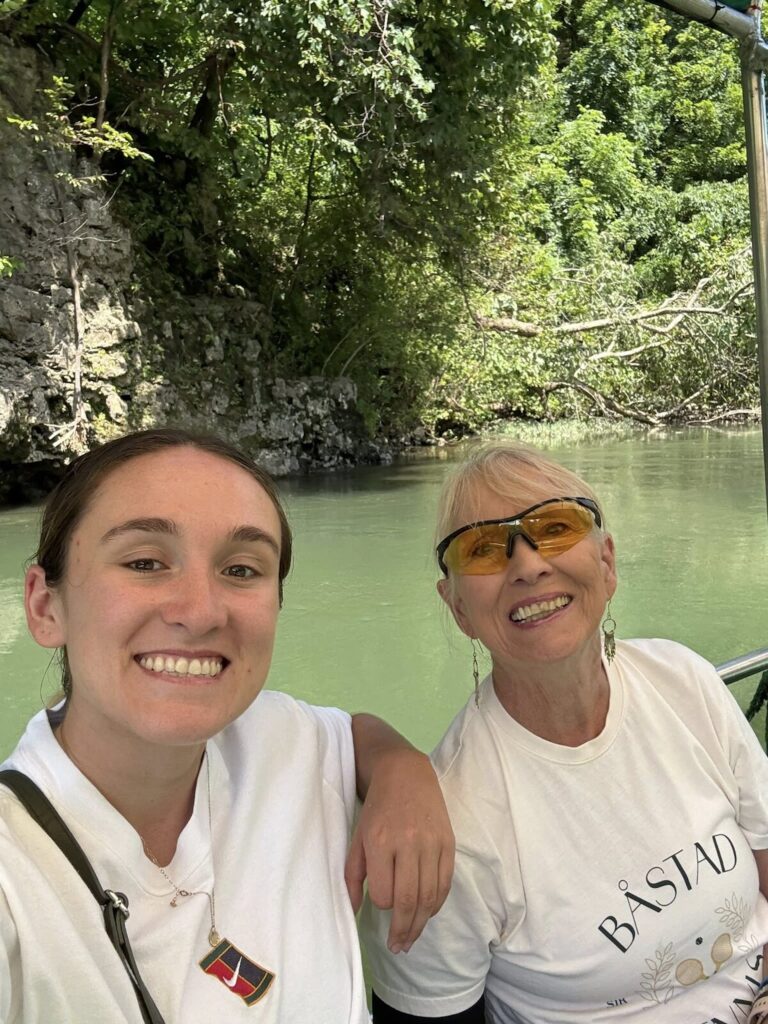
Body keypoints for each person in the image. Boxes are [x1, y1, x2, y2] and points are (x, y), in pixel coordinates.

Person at [0, 428, 453, 1024]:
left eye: (241, 570)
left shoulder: (275, 739)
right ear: (44, 605)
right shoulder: (16, 877)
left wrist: (403, 768)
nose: (201, 611)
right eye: (144, 562)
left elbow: (354, 734)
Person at [362, 438, 768, 1023]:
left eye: (555, 526)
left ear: (606, 563)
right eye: (483, 549)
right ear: (457, 609)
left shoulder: (683, 681)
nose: (528, 564)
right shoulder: (450, 821)